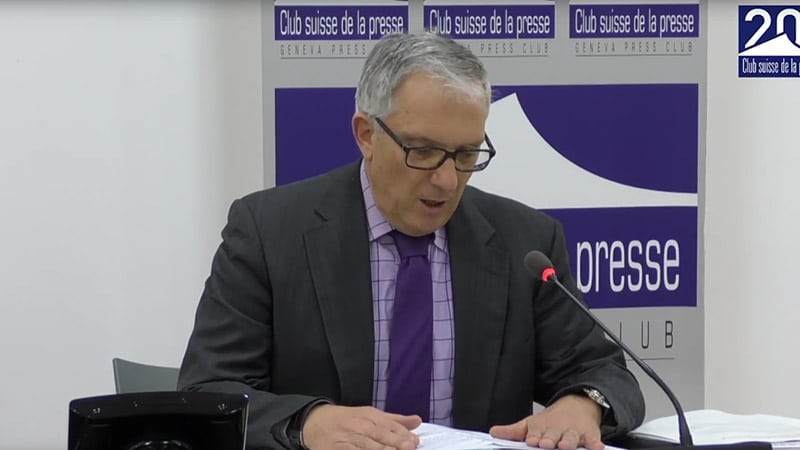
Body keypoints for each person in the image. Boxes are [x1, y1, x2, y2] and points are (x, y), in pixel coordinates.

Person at [178, 32, 645, 450]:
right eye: (423, 152)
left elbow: (604, 374)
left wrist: (583, 405)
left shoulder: (525, 241)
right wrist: (306, 423)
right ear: (366, 135)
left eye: (466, 154)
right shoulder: (268, 232)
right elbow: (208, 391)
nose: (447, 180)